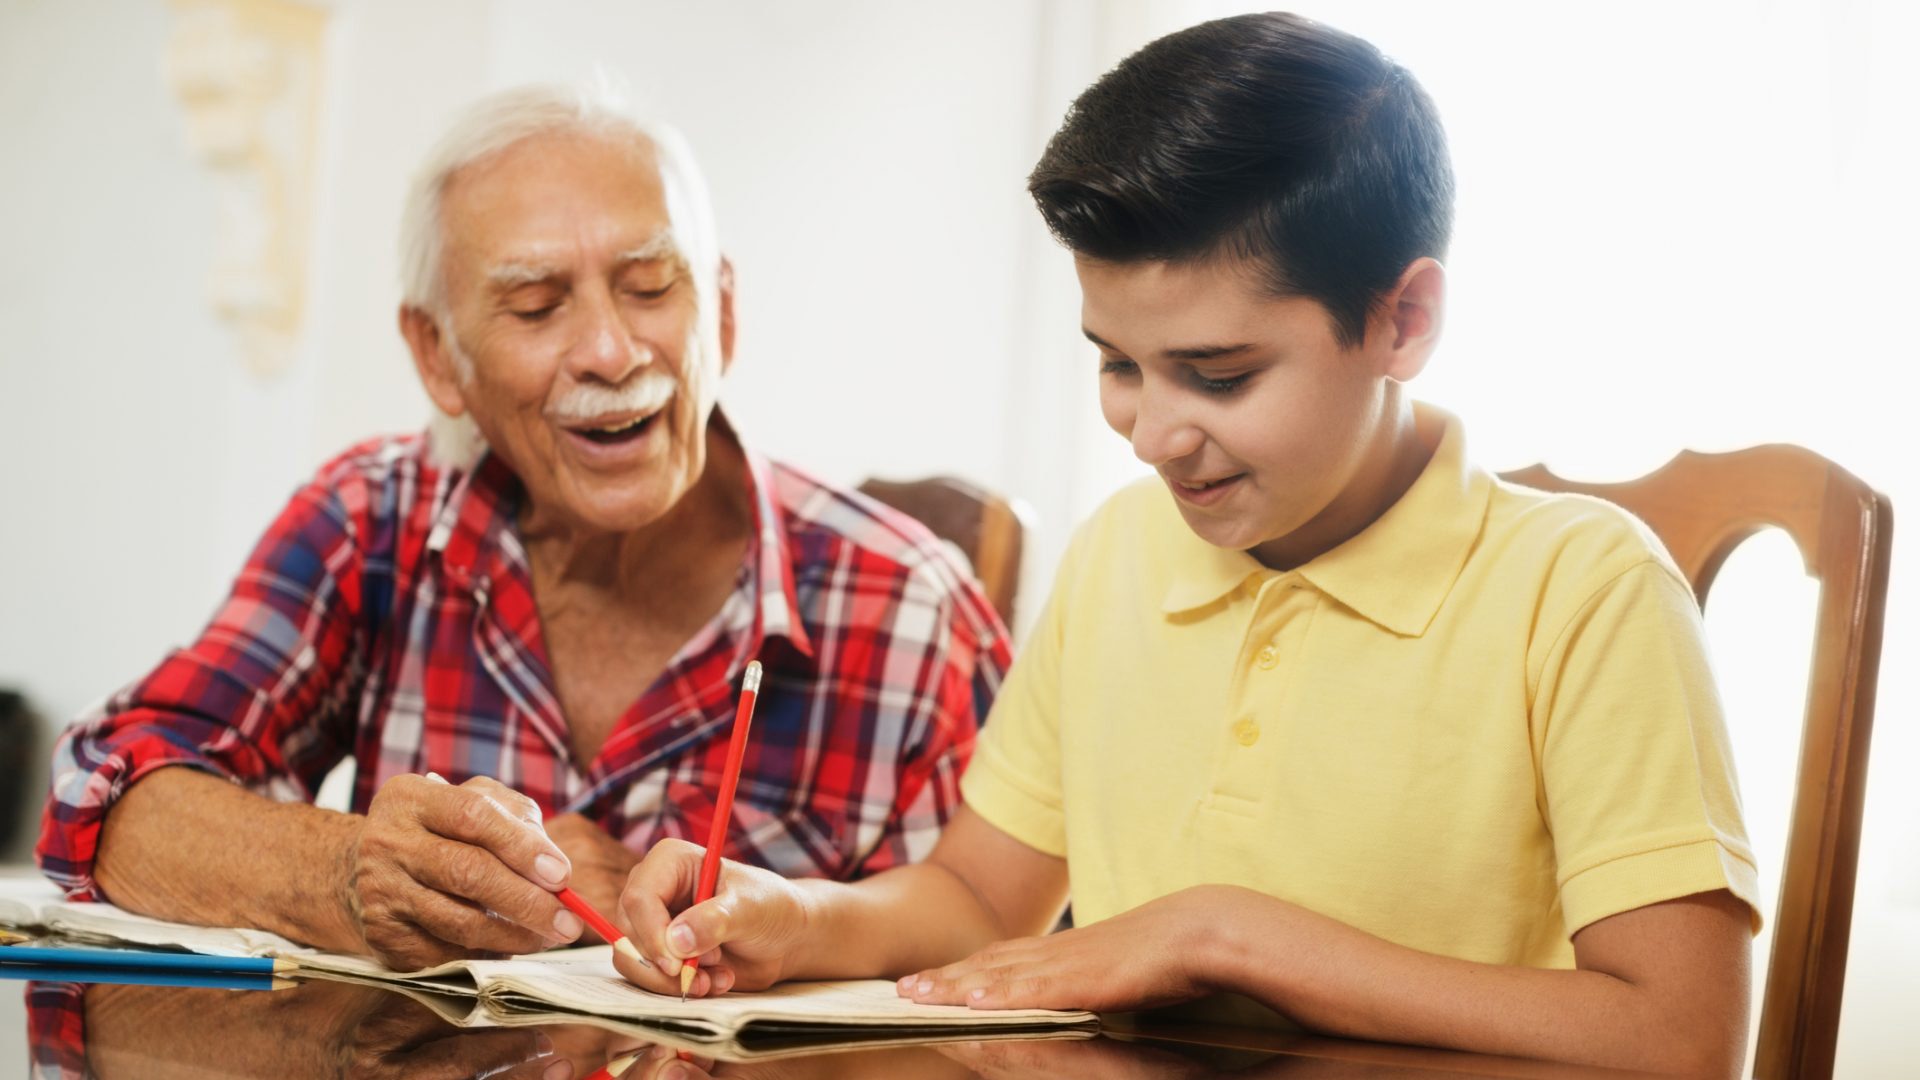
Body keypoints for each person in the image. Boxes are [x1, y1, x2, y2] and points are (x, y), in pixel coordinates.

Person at [612, 13, 1759, 1076]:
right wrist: (794, 918)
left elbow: (1681, 1036)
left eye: (1219, 375)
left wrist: (1229, 937)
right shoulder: (1124, 552)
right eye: (1117, 364)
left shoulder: (1583, 590)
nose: (1153, 435)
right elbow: (975, 896)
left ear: (1402, 322)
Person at [35, 85, 1010, 971]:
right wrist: (353, 871)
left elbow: (992, 974)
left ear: (722, 310)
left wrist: (764, 924)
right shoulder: (372, 519)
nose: (610, 350)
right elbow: (108, 796)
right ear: (438, 354)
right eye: (537, 304)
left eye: (651, 286)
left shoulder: (916, 609)